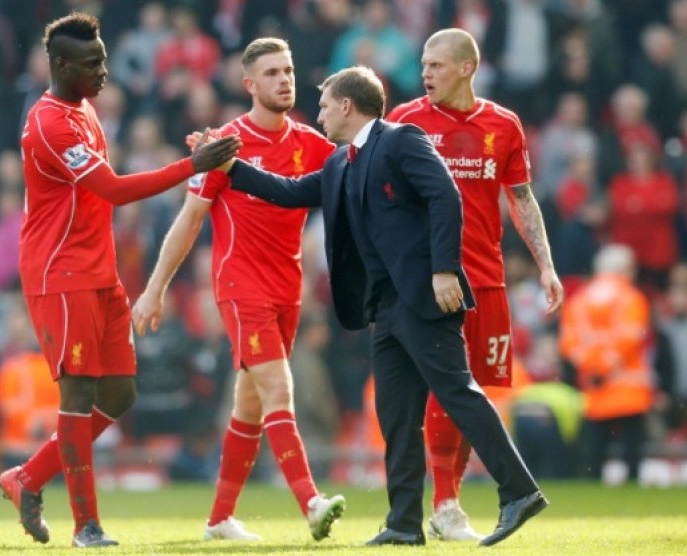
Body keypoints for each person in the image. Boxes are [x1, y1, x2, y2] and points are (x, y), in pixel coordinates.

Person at [221, 65, 548, 547]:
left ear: (348, 106)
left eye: (326, 105)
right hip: (386, 307)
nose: (321, 113)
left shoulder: (400, 140)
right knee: (396, 415)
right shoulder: (340, 163)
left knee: (457, 393)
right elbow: (288, 193)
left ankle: (519, 492)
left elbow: (445, 196)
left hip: (424, 296)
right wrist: (229, 165)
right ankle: (402, 523)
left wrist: (443, 270)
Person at [0, 12, 240, 549]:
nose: (104, 70)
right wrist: (191, 165)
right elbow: (113, 189)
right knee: (77, 395)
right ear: (59, 65)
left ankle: (28, 477)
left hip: (99, 271)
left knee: (122, 392)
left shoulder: (83, 107)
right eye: (91, 63)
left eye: (103, 59)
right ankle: (88, 528)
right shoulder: (49, 122)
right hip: (61, 275)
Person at [131, 37, 346, 542]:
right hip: (239, 284)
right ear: (249, 84)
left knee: (249, 406)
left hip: (287, 288)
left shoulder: (312, 145)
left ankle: (219, 520)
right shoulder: (225, 143)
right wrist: (154, 288)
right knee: (278, 388)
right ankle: (311, 502)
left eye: (288, 70)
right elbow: (188, 221)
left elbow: (352, 181)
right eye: (271, 73)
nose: (284, 80)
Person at [385, 28, 563, 541]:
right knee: (449, 387)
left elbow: (522, 200)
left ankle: (449, 504)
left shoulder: (503, 125)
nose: (426, 74)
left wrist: (546, 266)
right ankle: (443, 503)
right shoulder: (405, 121)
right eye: (423, 64)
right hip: (430, 280)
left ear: (467, 67)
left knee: (473, 391)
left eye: (437, 65)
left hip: (486, 278)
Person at [559, 244, 656, 483]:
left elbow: (569, 343)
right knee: (631, 451)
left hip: (594, 388)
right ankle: (632, 485)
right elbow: (630, 338)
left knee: (593, 453)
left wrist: (592, 368)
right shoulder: (632, 298)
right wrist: (606, 366)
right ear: (626, 269)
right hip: (628, 390)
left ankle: (591, 488)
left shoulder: (580, 300)